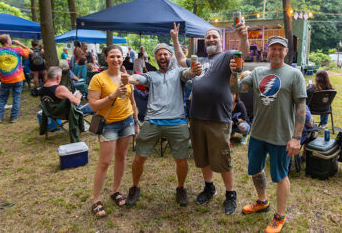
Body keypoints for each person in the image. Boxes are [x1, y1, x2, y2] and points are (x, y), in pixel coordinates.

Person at [171, 20, 249, 214]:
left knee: (222, 159)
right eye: (208, 37)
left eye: (214, 36)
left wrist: (244, 37)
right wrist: (174, 39)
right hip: (197, 117)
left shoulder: (226, 57)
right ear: (204, 42)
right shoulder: (200, 61)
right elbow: (181, 60)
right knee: (203, 156)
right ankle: (209, 187)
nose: (211, 39)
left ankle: (230, 194)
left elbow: (243, 53)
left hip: (218, 118)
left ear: (221, 41)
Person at [230, 36, 306, 232]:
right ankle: (262, 201)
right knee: (255, 169)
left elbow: (301, 107)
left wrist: (296, 137)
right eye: (273, 48)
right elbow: (236, 88)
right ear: (267, 51)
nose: (276, 52)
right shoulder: (258, 72)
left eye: (281, 49)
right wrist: (233, 73)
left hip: (281, 136)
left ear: (286, 52)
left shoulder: (294, 74)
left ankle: (280, 215)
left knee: (280, 176)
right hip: (257, 133)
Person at [123, 43, 202, 207]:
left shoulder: (179, 73)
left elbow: (188, 73)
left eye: (165, 54)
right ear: (155, 58)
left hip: (177, 121)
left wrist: (193, 71)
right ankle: (135, 186)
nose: (163, 57)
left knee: (181, 159)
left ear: (170, 56)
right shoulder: (151, 75)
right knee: (139, 157)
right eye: (159, 54)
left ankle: (181, 188)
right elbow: (139, 78)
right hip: (152, 121)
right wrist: (128, 79)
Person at [88, 45, 139, 217]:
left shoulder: (127, 77)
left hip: (127, 122)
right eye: (112, 56)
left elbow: (132, 102)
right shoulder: (98, 78)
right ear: (106, 58)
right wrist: (112, 95)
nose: (116, 59)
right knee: (105, 162)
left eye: (119, 56)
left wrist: (136, 122)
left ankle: (115, 191)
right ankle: (96, 200)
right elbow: (93, 105)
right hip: (109, 124)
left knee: (122, 157)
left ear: (123, 58)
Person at [0, 34, 33, 123]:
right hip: (17, 78)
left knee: (2, 98)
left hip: (5, 79)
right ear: (8, 41)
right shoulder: (16, 49)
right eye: (10, 39)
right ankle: (13, 118)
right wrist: (19, 43)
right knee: (16, 97)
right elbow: (30, 51)